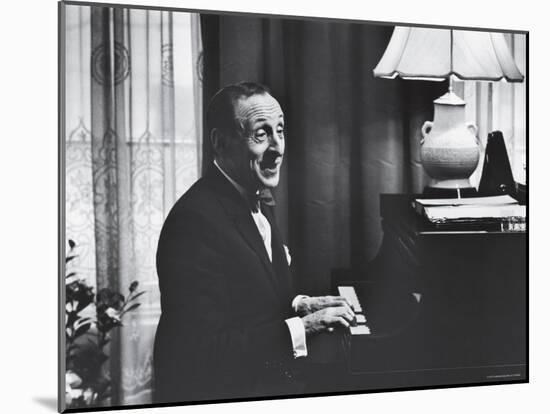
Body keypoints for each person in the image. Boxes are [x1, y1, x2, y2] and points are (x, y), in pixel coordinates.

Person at [153, 82, 355, 403]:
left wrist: (300, 304)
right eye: (261, 134)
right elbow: (204, 352)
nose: (278, 147)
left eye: (280, 130)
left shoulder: (249, 190)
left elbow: (248, 296)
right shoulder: (193, 223)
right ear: (221, 143)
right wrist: (306, 327)